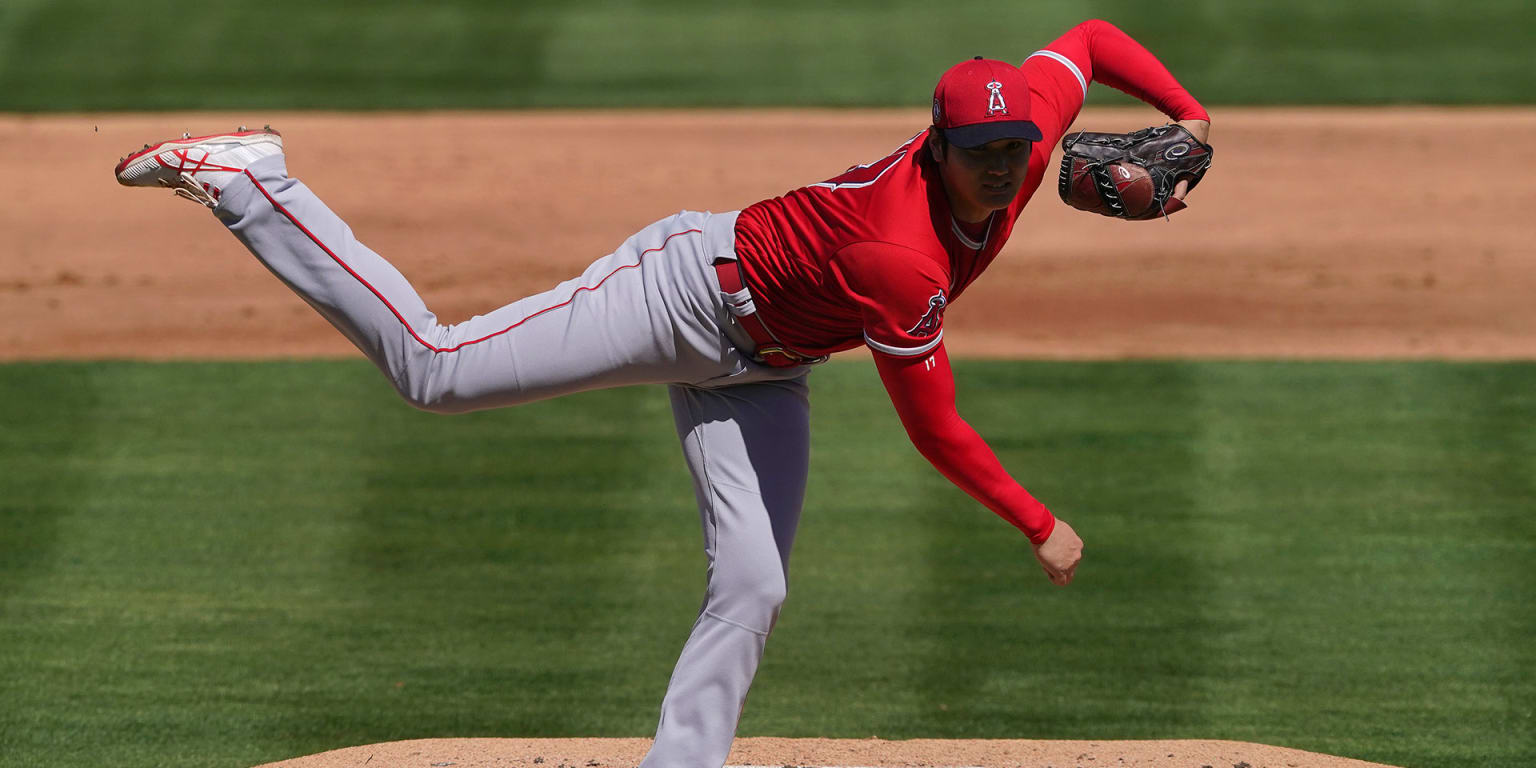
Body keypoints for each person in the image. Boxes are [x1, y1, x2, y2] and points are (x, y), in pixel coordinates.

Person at [115, 18, 1209, 768]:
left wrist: (1189, 112)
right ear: (937, 143)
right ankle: (256, 182)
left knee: (753, 584)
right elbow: (935, 430)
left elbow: (1091, 40)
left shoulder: (1025, 138)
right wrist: (1037, 523)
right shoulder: (900, 255)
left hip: (767, 366)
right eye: (977, 151)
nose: (1000, 167)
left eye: (1012, 147)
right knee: (434, 371)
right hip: (681, 295)